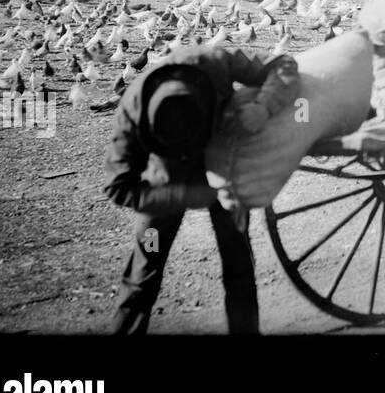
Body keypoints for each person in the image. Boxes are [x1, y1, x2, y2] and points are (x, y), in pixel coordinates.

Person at [103, 45, 300, 335]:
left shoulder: (212, 62)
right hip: (162, 191)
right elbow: (119, 187)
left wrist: (263, 107)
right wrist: (187, 196)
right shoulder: (133, 108)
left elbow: (283, 65)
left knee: (238, 264)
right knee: (144, 271)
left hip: (220, 170)